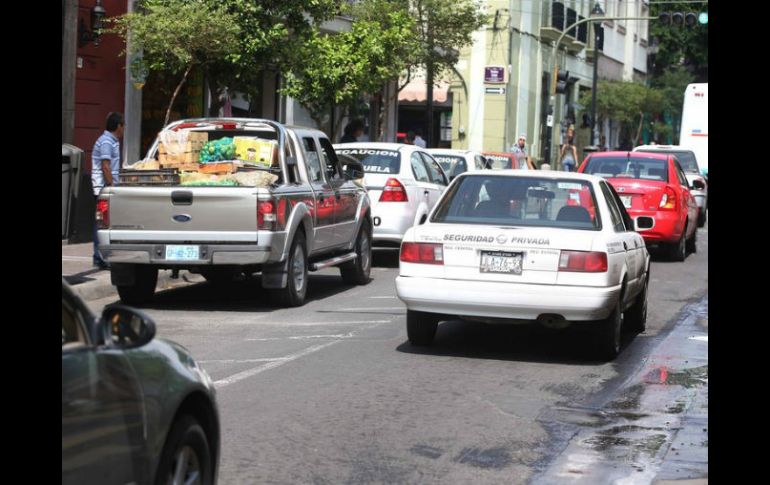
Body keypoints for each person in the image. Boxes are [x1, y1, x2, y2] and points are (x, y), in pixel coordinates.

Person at [91, 112, 125, 269]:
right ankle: (100, 258)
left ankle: (100, 257)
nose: (124, 130)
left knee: (103, 223)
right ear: (118, 126)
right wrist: (111, 186)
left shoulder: (111, 141)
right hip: (103, 188)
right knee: (101, 223)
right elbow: (105, 166)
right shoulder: (106, 141)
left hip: (106, 187)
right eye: (123, 126)